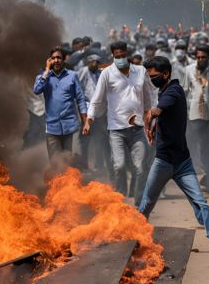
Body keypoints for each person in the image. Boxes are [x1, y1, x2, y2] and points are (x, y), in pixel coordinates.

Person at [139, 56, 209, 248]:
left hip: (182, 163)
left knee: (199, 201)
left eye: (155, 76)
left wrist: (150, 116)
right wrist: (151, 129)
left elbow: (159, 110)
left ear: (166, 74)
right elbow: (163, 118)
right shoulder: (163, 89)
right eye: (149, 76)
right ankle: (136, 234)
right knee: (147, 202)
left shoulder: (173, 91)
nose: (152, 79)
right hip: (163, 161)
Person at [83, 41, 155, 206]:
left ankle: (139, 202)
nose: (121, 58)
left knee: (141, 167)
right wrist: (89, 120)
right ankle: (120, 201)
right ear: (113, 56)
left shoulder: (140, 71)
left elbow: (149, 94)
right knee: (119, 165)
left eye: (123, 55)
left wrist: (150, 114)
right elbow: (96, 99)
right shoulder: (107, 73)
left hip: (137, 128)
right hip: (116, 129)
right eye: (118, 56)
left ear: (127, 54)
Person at [33, 46, 87, 160]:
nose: (56, 60)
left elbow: (80, 99)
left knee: (66, 161)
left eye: (59, 58)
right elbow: (37, 90)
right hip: (52, 127)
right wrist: (46, 71)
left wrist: (85, 121)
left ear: (63, 60)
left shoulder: (72, 76)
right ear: (50, 60)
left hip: (69, 126)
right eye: (53, 58)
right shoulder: (43, 77)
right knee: (55, 162)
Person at [182, 44, 209, 193]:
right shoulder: (189, 70)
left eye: (203, 57)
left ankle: (208, 181)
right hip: (193, 114)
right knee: (193, 146)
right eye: (198, 57)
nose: (200, 60)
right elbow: (184, 91)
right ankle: (195, 180)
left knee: (207, 148)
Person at [77, 54, 111, 175]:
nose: (95, 64)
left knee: (100, 138)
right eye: (93, 62)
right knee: (85, 139)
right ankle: (84, 164)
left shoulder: (99, 73)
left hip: (100, 111)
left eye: (97, 62)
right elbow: (78, 86)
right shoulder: (83, 71)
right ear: (88, 62)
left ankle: (99, 165)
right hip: (86, 109)